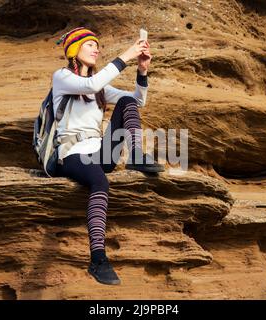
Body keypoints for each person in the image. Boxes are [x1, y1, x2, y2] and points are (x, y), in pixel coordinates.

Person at [47, 27, 164, 285]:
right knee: (100, 182)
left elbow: (137, 101)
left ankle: (135, 155)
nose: (96, 49)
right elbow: (91, 83)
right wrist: (128, 54)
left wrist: (142, 70)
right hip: (72, 154)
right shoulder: (63, 77)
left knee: (126, 103)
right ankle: (98, 260)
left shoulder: (100, 88)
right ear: (74, 51)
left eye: (97, 45)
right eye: (90, 44)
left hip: (100, 152)